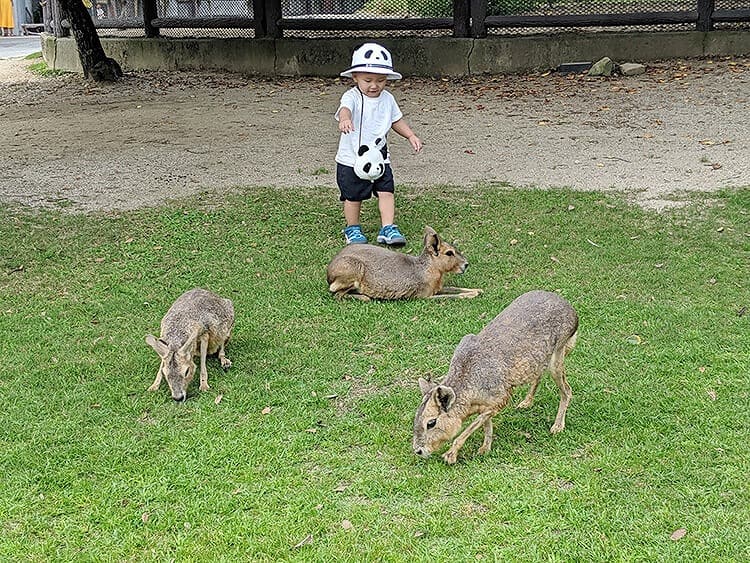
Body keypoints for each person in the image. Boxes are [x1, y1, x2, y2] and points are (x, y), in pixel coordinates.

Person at [335, 42, 422, 246]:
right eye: (368, 80)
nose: (374, 85)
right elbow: (345, 109)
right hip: (352, 160)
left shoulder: (388, 99)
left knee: (386, 191)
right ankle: (352, 228)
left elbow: (396, 120)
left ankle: (388, 227)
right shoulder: (352, 96)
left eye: (381, 80)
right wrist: (344, 119)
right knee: (353, 196)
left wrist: (410, 135)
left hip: (380, 158)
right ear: (355, 77)